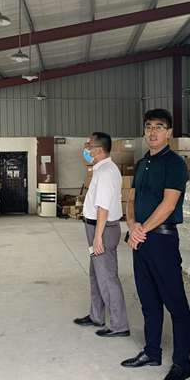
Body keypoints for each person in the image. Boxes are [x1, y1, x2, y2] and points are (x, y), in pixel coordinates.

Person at [122, 108, 190, 380]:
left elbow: (168, 204)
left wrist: (141, 230)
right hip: (140, 240)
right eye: (149, 126)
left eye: (159, 127)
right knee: (148, 301)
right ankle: (152, 352)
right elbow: (131, 199)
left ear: (169, 132)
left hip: (162, 240)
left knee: (175, 303)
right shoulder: (142, 164)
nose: (153, 131)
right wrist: (132, 225)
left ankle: (182, 364)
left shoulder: (175, 164)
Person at [73, 132, 130, 337]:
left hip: (102, 229)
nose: (86, 148)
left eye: (88, 145)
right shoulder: (101, 169)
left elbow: (103, 208)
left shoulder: (106, 172)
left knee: (107, 277)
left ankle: (119, 325)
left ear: (98, 150)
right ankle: (96, 315)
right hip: (96, 228)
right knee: (96, 274)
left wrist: (98, 237)